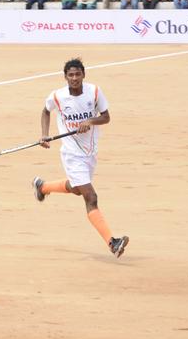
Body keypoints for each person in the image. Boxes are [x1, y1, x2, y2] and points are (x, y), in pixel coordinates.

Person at [32, 58, 129, 256]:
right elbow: (45, 111)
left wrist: (90, 120)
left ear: (83, 75)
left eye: (78, 74)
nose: (74, 78)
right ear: (65, 77)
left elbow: (106, 117)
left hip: (90, 153)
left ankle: (42, 186)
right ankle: (112, 242)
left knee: (77, 189)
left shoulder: (94, 92)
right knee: (90, 196)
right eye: (71, 75)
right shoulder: (58, 96)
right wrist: (44, 134)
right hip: (72, 154)